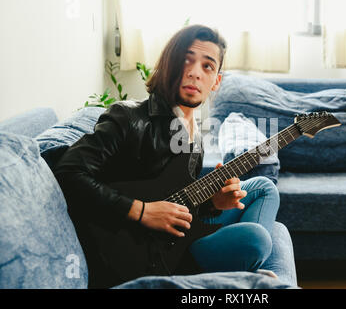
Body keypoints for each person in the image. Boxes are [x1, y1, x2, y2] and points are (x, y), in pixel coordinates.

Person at [54, 24, 280, 288]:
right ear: (169, 65)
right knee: (256, 239)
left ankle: (233, 272)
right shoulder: (128, 117)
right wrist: (141, 211)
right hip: (144, 251)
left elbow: (178, 197)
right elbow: (67, 172)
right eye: (186, 60)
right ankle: (232, 274)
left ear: (216, 81)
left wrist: (214, 204)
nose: (195, 72)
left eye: (207, 66)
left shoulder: (195, 134)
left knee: (264, 187)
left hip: (181, 233)